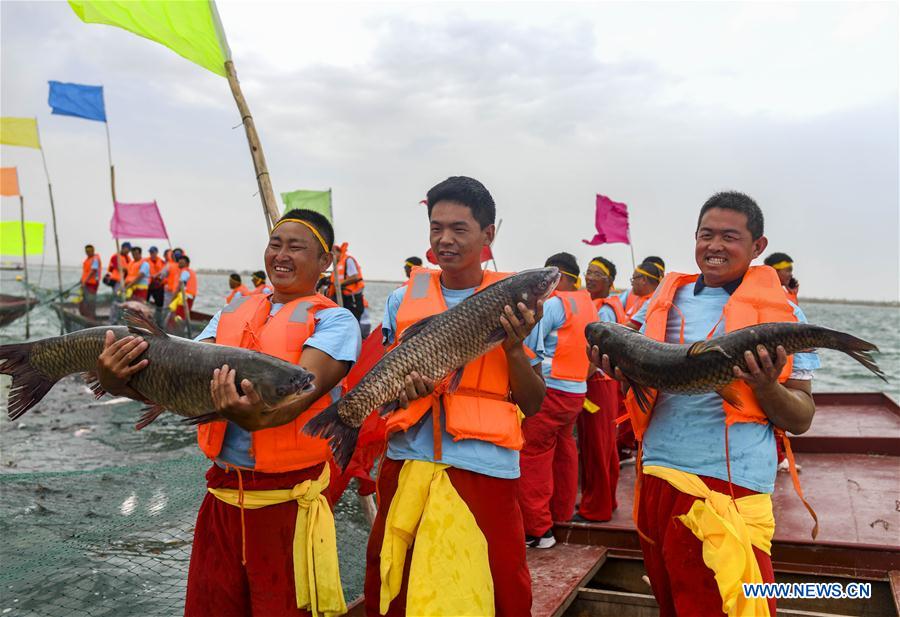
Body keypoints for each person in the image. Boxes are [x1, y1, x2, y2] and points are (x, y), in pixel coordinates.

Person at [95, 208, 360, 617]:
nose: (282, 255)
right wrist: (117, 383)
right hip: (220, 497)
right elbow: (175, 381)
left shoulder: (336, 320)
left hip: (286, 505)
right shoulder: (230, 312)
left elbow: (302, 393)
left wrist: (256, 418)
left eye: (296, 247)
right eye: (275, 244)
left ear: (326, 262)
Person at [595, 191, 820, 617]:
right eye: (706, 235)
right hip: (657, 473)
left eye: (729, 237)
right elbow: (638, 377)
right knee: (672, 602)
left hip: (728, 487)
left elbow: (802, 417)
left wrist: (767, 386)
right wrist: (618, 370)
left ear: (758, 247)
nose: (714, 246)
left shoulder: (786, 318)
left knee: (728, 607)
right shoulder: (660, 304)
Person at [364, 176, 546, 616]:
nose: (444, 239)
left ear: (489, 235)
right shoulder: (401, 299)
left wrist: (514, 346)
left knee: (497, 591)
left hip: (485, 471)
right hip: (407, 464)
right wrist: (404, 392)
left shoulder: (522, 304)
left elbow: (533, 402)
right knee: (395, 589)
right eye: (435, 227)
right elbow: (391, 382)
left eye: (459, 229)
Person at [518, 252, 597, 548]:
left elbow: (529, 347)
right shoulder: (587, 303)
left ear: (559, 276)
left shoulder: (554, 304)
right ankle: (561, 517)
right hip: (576, 391)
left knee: (533, 455)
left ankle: (538, 530)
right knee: (565, 451)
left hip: (550, 390)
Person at [576, 256, 625, 522]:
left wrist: (578, 381)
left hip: (597, 384)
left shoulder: (604, 311)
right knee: (605, 446)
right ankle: (607, 499)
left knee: (596, 446)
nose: (589, 277)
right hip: (605, 384)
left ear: (609, 281)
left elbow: (600, 355)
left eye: (596, 273)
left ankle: (596, 508)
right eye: (588, 271)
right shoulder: (601, 305)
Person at [326, 243, 366, 321]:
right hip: (343, 298)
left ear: (338, 252)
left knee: (352, 321)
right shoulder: (337, 264)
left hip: (353, 299)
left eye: (333, 254)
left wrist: (339, 284)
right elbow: (336, 278)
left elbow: (354, 277)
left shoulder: (348, 260)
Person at [170, 254, 198, 319]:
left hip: (184, 299)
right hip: (190, 298)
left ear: (187, 264)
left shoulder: (185, 272)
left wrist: (172, 299)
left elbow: (180, 286)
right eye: (179, 262)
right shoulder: (191, 272)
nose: (179, 264)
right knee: (183, 316)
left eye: (181, 263)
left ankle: (176, 328)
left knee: (178, 317)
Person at [80, 244, 101, 319]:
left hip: (92, 284)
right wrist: (82, 280)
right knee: (85, 299)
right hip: (86, 283)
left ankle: (91, 316)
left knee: (91, 300)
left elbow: (93, 270)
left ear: (93, 251)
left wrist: (84, 281)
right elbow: (86, 272)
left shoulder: (95, 259)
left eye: (89, 251)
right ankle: (87, 314)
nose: (88, 253)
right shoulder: (88, 259)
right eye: (86, 251)